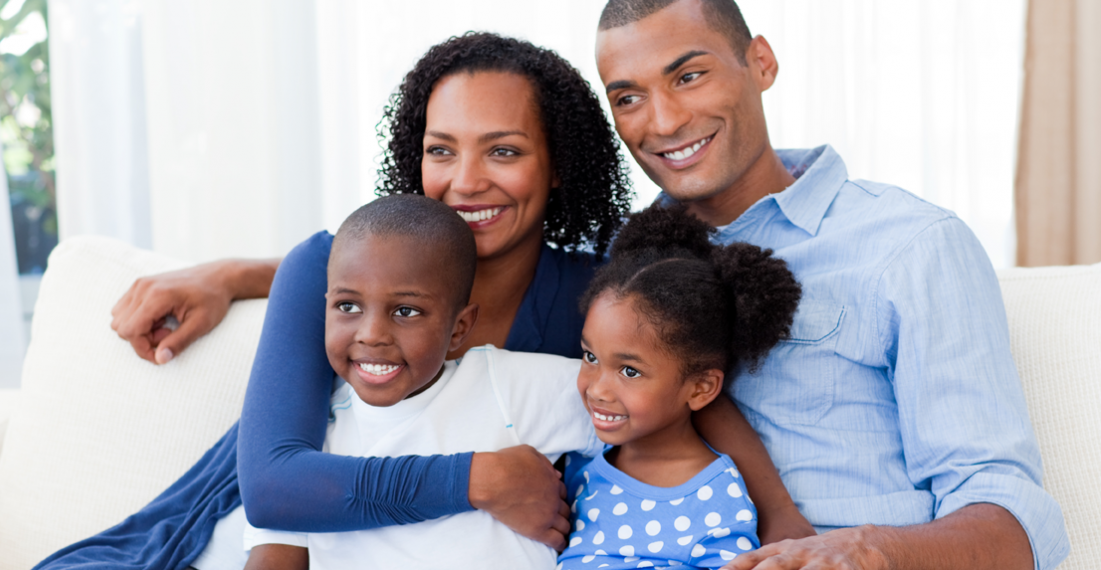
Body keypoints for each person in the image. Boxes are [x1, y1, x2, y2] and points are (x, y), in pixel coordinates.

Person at [79, 32, 807, 570]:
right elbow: (274, 488)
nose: (466, 182)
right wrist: (482, 477)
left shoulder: (593, 296)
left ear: (558, 168)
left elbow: (688, 384)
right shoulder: (327, 270)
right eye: (441, 150)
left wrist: (781, 520)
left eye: (504, 151)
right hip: (209, 545)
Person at [591, 1, 1069, 569]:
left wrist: (871, 552)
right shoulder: (617, 270)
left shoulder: (910, 244)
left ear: (761, 63)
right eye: (628, 98)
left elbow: (1014, 524)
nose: (664, 121)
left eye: (689, 76)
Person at [243, 194, 603, 570]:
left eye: (405, 311)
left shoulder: (510, 386)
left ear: (459, 328)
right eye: (348, 306)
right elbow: (274, 548)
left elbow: (648, 416)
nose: (371, 334)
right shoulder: (314, 443)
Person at [557, 205, 801, 569]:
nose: (598, 390)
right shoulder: (581, 461)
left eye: (629, 371)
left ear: (701, 388)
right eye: (591, 357)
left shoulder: (716, 496)